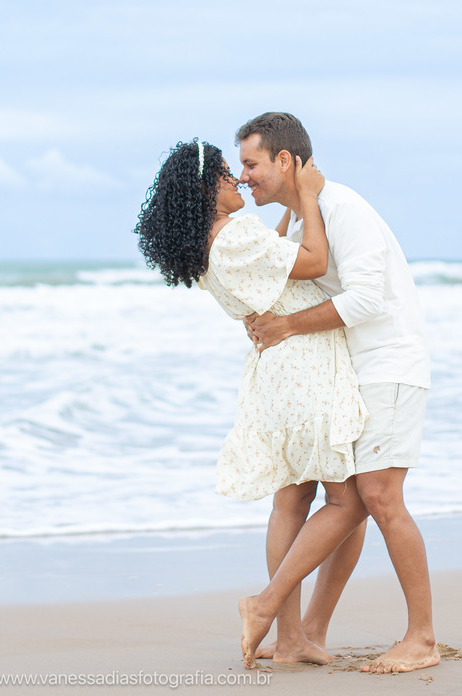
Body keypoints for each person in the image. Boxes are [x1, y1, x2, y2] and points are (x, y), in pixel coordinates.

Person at [134, 139, 369, 666]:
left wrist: (284, 218)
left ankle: (291, 640)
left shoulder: (207, 246)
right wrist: (305, 196)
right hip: (305, 366)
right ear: (204, 189)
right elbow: (312, 262)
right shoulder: (235, 234)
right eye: (225, 174)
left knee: (291, 501)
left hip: (276, 376)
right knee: (349, 502)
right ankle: (264, 607)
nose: (238, 180)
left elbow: (273, 269)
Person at [238, 111, 438, 674]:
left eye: (251, 164)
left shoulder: (343, 209)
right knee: (348, 500)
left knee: (378, 497)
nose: (244, 176)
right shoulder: (306, 220)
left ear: (285, 160)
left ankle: (421, 639)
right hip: (351, 374)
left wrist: (286, 328)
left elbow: (368, 300)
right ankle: (310, 632)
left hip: (387, 367)